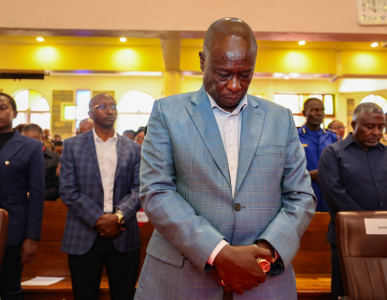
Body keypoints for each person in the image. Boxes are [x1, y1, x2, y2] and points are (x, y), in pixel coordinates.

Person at [135, 18, 316, 300]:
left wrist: (265, 253)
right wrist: (217, 252)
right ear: (202, 61)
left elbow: (301, 195)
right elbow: (156, 191)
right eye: (223, 74)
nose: (234, 85)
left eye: (245, 75)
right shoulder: (168, 113)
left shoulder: (280, 119)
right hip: (182, 279)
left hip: (263, 280)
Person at [59, 93, 142, 300]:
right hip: (83, 233)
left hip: (123, 234)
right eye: (102, 106)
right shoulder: (72, 146)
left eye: (113, 106)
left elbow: (139, 188)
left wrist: (117, 217)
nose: (109, 110)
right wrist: (99, 219)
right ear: (90, 113)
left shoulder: (133, 148)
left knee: (124, 295)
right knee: (84, 295)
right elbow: (68, 190)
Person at [318, 102, 387, 300]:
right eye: (369, 126)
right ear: (354, 123)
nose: (376, 132)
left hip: (384, 236)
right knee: (347, 290)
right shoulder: (333, 153)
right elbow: (334, 193)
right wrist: (368, 224)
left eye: (380, 127)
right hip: (348, 237)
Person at [0, 93, 45, 300]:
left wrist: (31, 237)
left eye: (2, 107)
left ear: (14, 113)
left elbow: (36, 194)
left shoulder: (31, 146)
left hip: (13, 230)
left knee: (10, 289)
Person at [297, 98, 340, 212]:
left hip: (330, 191)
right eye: (314, 110)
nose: (319, 113)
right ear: (304, 113)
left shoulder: (334, 137)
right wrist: (308, 174)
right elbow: (285, 166)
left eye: (322, 110)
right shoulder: (295, 137)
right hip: (304, 191)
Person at [22, 124, 60, 201]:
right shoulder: (17, 156)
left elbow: (58, 187)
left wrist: (34, 195)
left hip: (46, 202)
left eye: (33, 140)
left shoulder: (55, 158)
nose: (29, 143)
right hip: (19, 202)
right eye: (25, 140)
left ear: (42, 138)